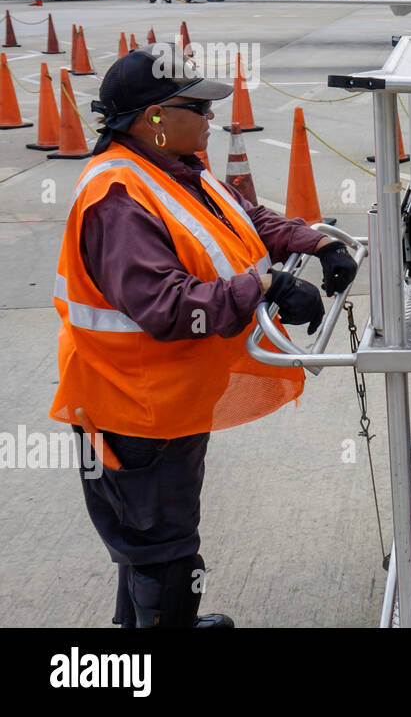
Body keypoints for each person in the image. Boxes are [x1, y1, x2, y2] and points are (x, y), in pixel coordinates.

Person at [49, 43, 358, 627]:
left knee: (151, 542)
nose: (212, 116)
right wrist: (263, 290)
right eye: (199, 106)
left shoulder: (176, 170)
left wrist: (313, 241)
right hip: (133, 411)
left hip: (168, 403)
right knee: (162, 550)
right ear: (155, 118)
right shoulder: (117, 197)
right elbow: (164, 306)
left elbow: (245, 219)